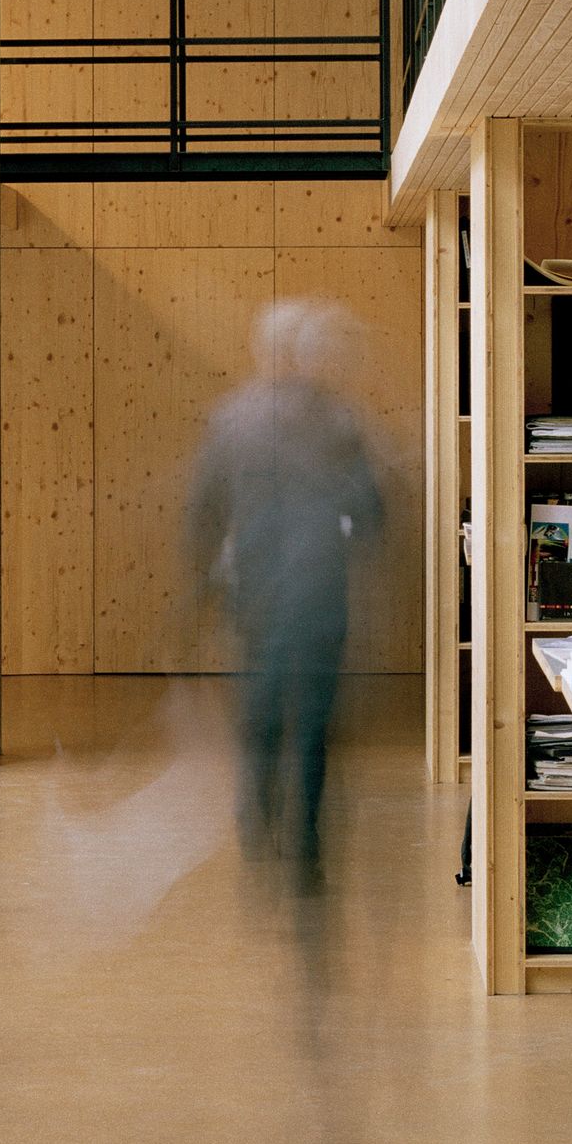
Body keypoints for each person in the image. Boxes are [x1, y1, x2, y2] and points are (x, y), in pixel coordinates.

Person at [185, 299, 385, 888]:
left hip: (256, 589)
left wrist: (205, 572)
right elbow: (370, 509)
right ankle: (305, 839)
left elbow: (203, 505)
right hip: (320, 588)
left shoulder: (232, 417)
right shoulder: (339, 419)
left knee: (263, 704)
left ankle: (257, 811)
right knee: (315, 716)